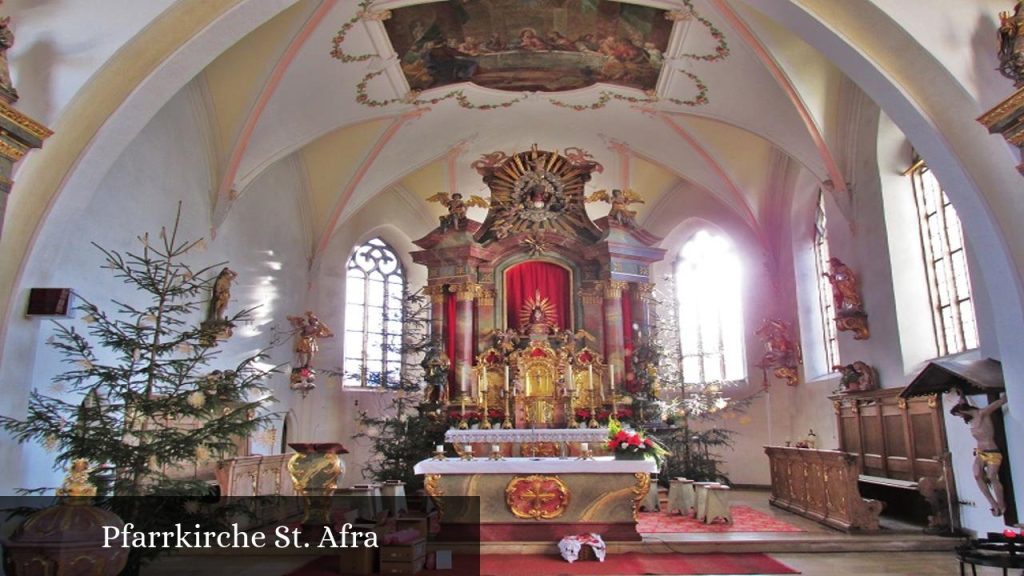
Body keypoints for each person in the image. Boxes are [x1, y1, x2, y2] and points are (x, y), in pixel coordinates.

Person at [950, 394, 1009, 516]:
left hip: (992, 451)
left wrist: (1008, 393)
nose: (961, 417)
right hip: (981, 452)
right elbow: (963, 401)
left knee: (992, 477)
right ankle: (993, 504)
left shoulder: (982, 414)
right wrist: (960, 394)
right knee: (977, 475)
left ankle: (1001, 504)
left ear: (963, 410)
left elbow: (1000, 402)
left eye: (960, 414)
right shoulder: (970, 419)